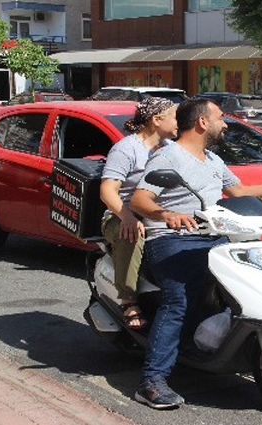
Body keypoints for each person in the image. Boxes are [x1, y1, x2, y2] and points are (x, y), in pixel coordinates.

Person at [129, 98, 262, 409]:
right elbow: (139, 199)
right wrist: (167, 215)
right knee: (178, 300)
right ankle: (152, 381)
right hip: (174, 239)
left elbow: (240, 193)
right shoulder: (168, 158)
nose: (225, 123)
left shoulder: (212, 160)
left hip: (214, 237)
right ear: (202, 122)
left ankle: (233, 345)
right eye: (220, 117)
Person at [99, 97, 178, 329]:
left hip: (160, 214)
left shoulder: (172, 149)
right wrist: (128, 217)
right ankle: (128, 300)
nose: (179, 122)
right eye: (174, 116)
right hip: (121, 215)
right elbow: (108, 190)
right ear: (156, 120)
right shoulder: (127, 148)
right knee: (132, 233)